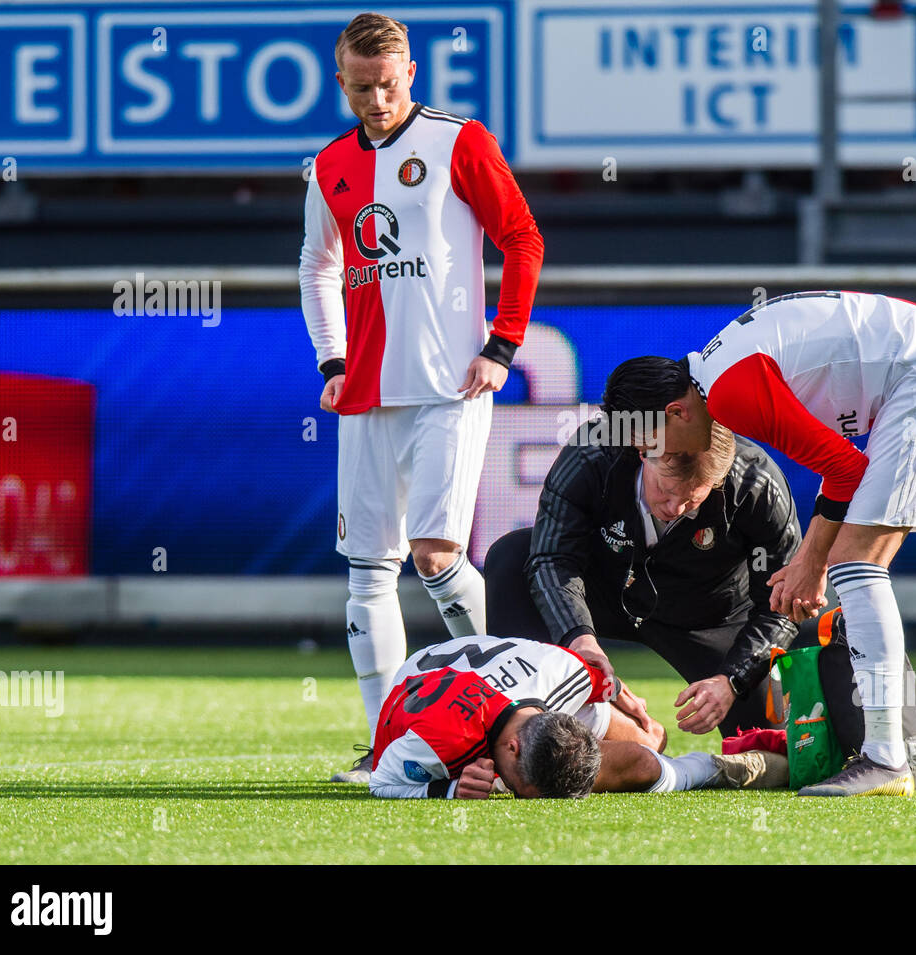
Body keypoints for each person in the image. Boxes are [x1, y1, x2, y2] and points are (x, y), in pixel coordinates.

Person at [601, 291, 916, 797]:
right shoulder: (718, 373)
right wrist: (814, 559)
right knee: (858, 565)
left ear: (676, 412)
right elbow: (841, 464)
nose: (653, 459)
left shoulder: (730, 395)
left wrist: (810, 564)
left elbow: (844, 469)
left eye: (648, 445)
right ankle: (886, 753)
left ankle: (885, 758)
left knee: (855, 565)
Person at [298, 13, 544, 783]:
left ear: (413, 74)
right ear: (342, 82)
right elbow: (317, 266)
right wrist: (331, 360)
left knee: (437, 557)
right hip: (365, 396)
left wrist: (501, 345)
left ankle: (517, 706)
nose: (378, 100)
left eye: (390, 84)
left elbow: (523, 237)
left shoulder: (459, 141)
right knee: (369, 571)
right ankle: (383, 745)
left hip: (448, 386)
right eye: (363, 87)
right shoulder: (329, 166)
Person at [484, 422, 804, 739]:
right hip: (604, 592)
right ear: (644, 453)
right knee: (511, 557)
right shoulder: (594, 450)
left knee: (774, 744)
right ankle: (515, 716)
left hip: (711, 615)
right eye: (665, 490)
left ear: (719, 481)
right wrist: (577, 635)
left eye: (692, 500)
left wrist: (733, 680)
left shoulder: (756, 483)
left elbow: (782, 604)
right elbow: (551, 557)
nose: (674, 509)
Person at [369, 635, 787, 798]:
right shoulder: (434, 746)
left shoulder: (564, 676)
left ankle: (678, 760)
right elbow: (380, 781)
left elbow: (602, 678)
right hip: (425, 685)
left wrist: (618, 691)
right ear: (510, 750)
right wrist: (444, 789)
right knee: (640, 763)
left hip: (523, 676)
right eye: (521, 788)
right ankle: (710, 769)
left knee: (652, 739)